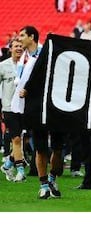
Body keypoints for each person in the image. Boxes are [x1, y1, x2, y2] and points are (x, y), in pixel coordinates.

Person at [18, 26, 64, 199]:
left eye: (22, 35)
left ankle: (53, 178)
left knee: (58, 149)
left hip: (54, 106)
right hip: (35, 108)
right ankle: (44, 185)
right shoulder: (23, 59)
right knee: (40, 149)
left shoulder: (47, 53)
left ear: (32, 37)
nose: (19, 38)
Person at [0, 38, 24, 182]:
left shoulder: (26, 66)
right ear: (10, 49)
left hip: (22, 107)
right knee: (15, 138)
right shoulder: (3, 66)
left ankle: (8, 164)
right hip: (9, 107)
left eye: (21, 46)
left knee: (20, 138)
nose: (19, 48)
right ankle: (20, 170)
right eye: (16, 46)